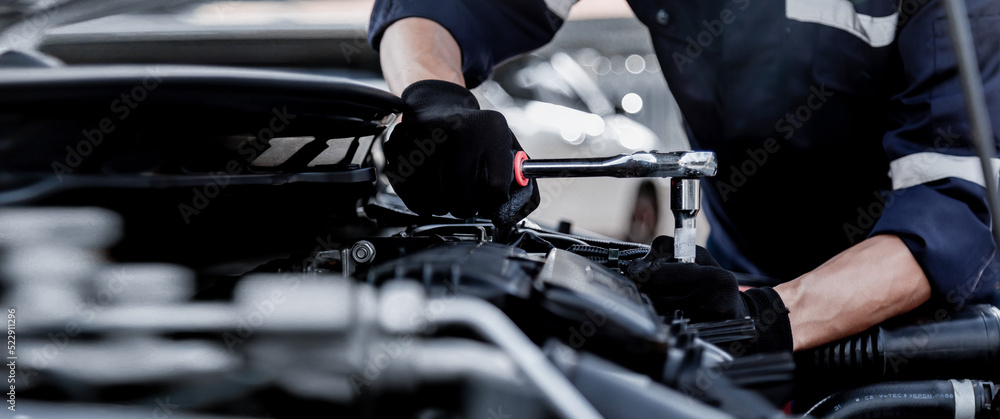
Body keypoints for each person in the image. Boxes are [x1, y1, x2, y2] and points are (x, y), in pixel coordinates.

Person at [368, 0, 1000, 353]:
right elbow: (438, 9)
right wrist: (436, 98)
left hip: (930, 316)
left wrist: (771, 320)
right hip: (745, 283)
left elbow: (955, 208)